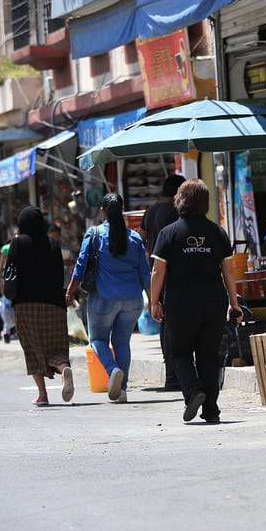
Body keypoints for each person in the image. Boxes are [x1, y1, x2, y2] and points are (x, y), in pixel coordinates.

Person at [150, 179, 243, 423]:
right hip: (213, 301)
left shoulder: (169, 233)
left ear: (180, 201)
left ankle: (193, 391)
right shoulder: (217, 232)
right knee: (208, 356)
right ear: (205, 203)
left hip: (180, 303)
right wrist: (234, 303)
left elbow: (157, 272)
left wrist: (153, 301)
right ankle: (211, 411)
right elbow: (228, 272)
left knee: (179, 352)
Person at [66, 194, 151, 404]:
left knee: (97, 340)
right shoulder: (134, 237)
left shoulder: (94, 234)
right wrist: (153, 301)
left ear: (103, 210)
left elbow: (80, 267)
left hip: (103, 299)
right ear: (121, 210)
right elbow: (145, 273)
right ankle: (121, 391)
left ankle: (112, 371)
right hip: (132, 300)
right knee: (122, 342)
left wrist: (69, 292)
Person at [10, 206, 74, 406]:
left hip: (25, 304)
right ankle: (64, 369)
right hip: (53, 304)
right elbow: (59, 275)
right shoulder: (54, 244)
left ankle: (42, 395)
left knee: (33, 347)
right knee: (56, 347)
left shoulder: (18, 243)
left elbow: (10, 272)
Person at [138, 174, 185, 391]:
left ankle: (171, 374)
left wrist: (149, 254)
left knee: (164, 321)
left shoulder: (151, 210)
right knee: (173, 322)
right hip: (172, 272)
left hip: (155, 270)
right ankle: (176, 374)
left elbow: (141, 237)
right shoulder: (174, 212)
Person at [0, 228, 18, 343]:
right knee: (6, 305)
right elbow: (1, 266)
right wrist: (0, 281)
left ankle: (14, 330)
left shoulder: (20, 247)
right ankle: (6, 330)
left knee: (15, 305)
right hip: (8, 278)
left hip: (18, 278)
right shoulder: (6, 248)